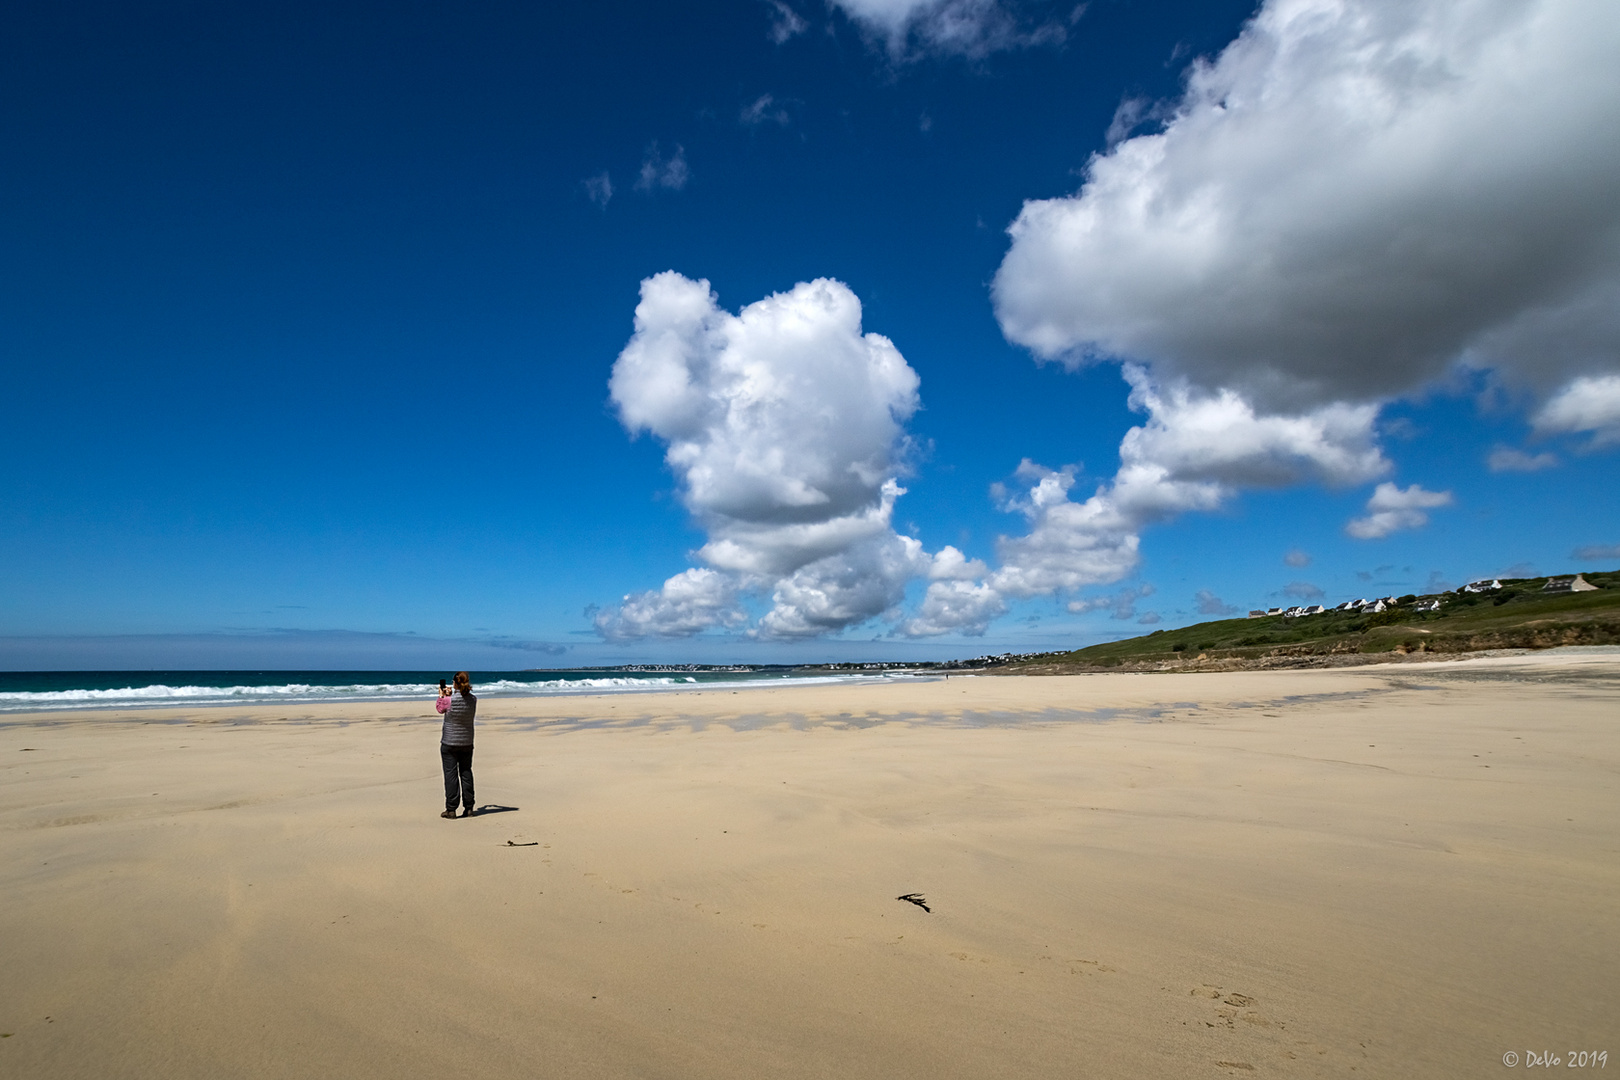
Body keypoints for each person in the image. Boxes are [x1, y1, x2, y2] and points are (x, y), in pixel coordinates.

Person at [439, 671, 477, 819]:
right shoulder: (473, 700)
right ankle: (469, 807)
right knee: (466, 772)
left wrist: (443, 696)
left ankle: (451, 808)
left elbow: (440, 709)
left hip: (449, 741)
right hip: (467, 740)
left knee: (451, 774)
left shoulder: (450, 700)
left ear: (455, 683)